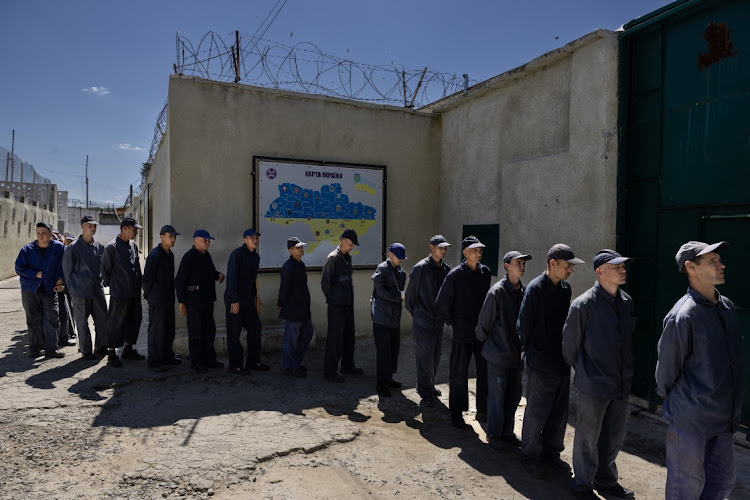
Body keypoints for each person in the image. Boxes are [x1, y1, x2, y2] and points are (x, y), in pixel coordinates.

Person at [656, 241, 744, 499]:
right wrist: (685, 403)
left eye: (719, 259)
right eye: (712, 261)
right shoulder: (683, 315)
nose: (721, 265)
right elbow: (665, 375)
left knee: (721, 483)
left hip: (723, 418)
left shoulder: (726, 307)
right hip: (691, 420)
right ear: (691, 267)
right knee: (686, 486)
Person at [562, 249, 636, 499]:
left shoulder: (626, 302)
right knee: (587, 436)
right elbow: (569, 348)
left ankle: (606, 480)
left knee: (614, 436)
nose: (622, 269)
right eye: (617, 266)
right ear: (600, 271)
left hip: (620, 382)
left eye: (623, 265)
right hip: (593, 384)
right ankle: (582, 482)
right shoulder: (584, 305)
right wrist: (587, 372)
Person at [517, 243, 583, 478]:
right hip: (541, 362)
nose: (570, 271)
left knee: (558, 410)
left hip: (561, 361)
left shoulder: (565, 289)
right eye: (567, 266)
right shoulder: (535, 289)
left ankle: (551, 452)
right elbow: (523, 326)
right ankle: (530, 454)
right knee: (537, 409)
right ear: (552, 264)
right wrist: (534, 351)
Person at [476, 250, 532, 449]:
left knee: (513, 395)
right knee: (497, 397)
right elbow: (483, 325)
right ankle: (494, 434)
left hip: (516, 357)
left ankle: (507, 432)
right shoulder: (497, 292)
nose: (522, 266)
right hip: (498, 355)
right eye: (518, 263)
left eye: (523, 263)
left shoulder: (524, 292)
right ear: (507, 265)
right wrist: (492, 347)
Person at [435, 235, 492, 429]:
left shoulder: (485, 273)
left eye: (480, 251)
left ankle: (483, 410)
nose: (478, 254)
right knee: (459, 373)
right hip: (462, 333)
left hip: (481, 332)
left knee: (484, 371)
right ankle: (457, 412)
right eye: (474, 250)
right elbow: (442, 303)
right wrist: (454, 322)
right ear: (465, 253)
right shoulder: (455, 275)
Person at [404, 235, 451, 407]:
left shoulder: (446, 270)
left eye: (445, 248)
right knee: (424, 357)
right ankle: (425, 392)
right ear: (432, 248)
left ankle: (430, 386)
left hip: (437, 321)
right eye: (440, 248)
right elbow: (410, 295)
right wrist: (414, 311)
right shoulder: (420, 268)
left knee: (436, 356)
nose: (443, 251)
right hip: (423, 320)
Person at [175, 229, 225, 374]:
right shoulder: (189, 257)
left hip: (207, 300)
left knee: (209, 330)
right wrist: (182, 302)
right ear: (195, 241)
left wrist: (217, 275)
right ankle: (197, 362)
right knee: (195, 332)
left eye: (209, 241)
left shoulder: (207, 255)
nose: (208, 243)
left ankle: (210, 359)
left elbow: (209, 271)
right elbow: (180, 280)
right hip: (194, 301)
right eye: (205, 240)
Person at [15, 222, 66, 358]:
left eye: (44, 233)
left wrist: (61, 279)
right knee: (33, 319)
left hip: (50, 289)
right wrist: (35, 274)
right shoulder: (27, 250)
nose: (41, 236)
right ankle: (35, 348)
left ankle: (51, 349)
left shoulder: (59, 248)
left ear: (50, 234)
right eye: (38, 233)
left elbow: (64, 265)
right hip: (30, 290)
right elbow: (19, 268)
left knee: (52, 319)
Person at [101, 217, 145, 367]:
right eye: (134, 230)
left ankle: (128, 349)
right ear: (124, 228)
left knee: (134, 320)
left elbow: (137, 266)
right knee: (115, 323)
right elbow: (105, 270)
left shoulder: (133, 245)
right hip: (119, 293)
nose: (136, 233)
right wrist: (112, 285)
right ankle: (112, 353)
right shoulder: (111, 248)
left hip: (133, 292)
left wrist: (140, 284)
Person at [62, 216, 108, 360]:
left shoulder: (100, 247)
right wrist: (72, 289)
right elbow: (67, 271)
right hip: (79, 291)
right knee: (81, 322)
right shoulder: (73, 248)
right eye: (89, 226)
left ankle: (101, 347)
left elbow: (103, 267)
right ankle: (86, 351)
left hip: (96, 290)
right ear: (82, 227)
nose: (92, 228)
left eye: (94, 226)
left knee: (102, 320)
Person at [321, 228, 363, 383]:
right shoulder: (332, 258)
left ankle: (347, 366)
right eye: (351, 244)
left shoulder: (348, 258)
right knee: (335, 339)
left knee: (348, 336)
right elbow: (325, 283)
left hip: (347, 304)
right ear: (343, 240)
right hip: (336, 305)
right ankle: (330, 371)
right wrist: (332, 300)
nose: (352, 247)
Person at [225, 228, 268, 374]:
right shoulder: (237, 254)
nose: (254, 240)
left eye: (256, 238)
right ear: (244, 240)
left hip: (249, 300)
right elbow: (231, 278)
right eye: (251, 238)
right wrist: (234, 300)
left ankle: (253, 362)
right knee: (234, 333)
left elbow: (252, 280)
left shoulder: (255, 257)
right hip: (235, 300)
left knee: (256, 329)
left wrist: (256, 297)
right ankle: (235, 364)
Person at [143, 225, 182, 372]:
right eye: (170, 236)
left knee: (168, 328)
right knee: (157, 330)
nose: (173, 240)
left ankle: (167, 356)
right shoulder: (155, 255)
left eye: (174, 237)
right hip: (157, 299)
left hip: (168, 298)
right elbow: (147, 279)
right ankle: (154, 361)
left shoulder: (169, 255)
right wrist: (147, 296)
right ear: (162, 237)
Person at [370, 243, 408, 397]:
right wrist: (399, 296)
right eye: (398, 257)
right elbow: (381, 292)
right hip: (381, 317)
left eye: (402, 258)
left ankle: (389, 378)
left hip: (394, 317)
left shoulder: (401, 273)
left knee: (393, 349)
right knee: (383, 351)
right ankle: (381, 382)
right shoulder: (382, 269)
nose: (400, 260)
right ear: (390, 254)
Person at [278, 237, 314, 378]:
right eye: (298, 247)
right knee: (291, 338)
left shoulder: (300, 264)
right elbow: (284, 288)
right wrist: (281, 303)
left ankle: (294, 362)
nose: (301, 249)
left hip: (303, 308)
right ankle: (289, 366)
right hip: (293, 308)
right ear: (290, 250)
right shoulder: (289, 267)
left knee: (307, 333)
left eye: (301, 247)